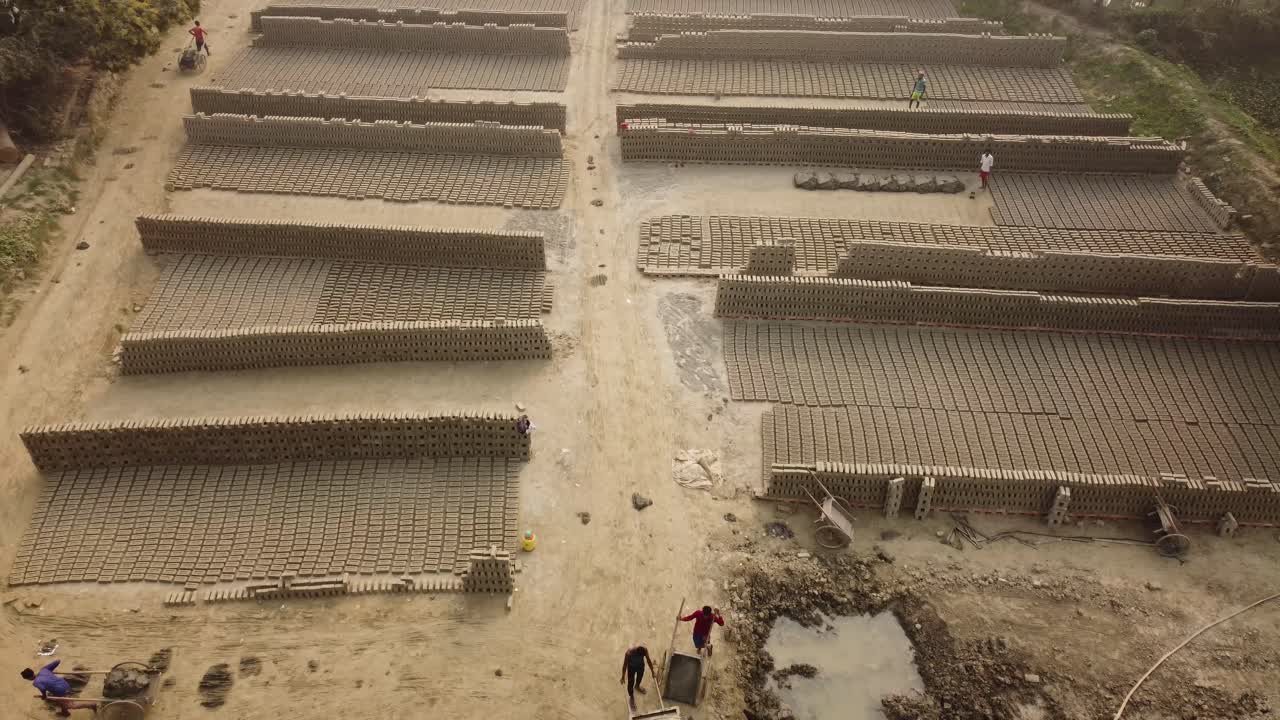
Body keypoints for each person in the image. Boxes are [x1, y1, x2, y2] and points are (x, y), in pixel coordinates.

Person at [20, 661, 97, 716]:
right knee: (59, 700)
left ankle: (91, 705)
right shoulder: (44, 670)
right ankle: (65, 712)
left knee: (71, 705)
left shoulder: (36, 682)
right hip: (65, 684)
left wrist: (44, 696)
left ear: (28, 678)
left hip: (61, 691)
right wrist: (50, 671)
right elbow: (57, 661)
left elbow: (42, 689)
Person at [620, 645, 658, 711]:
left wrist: (652, 671)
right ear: (636, 652)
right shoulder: (629, 653)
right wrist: (623, 676)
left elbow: (648, 660)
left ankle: (637, 686)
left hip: (640, 666)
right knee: (630, 682)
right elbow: (625, 665)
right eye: (640, 656)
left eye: (642, 656)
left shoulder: (645, 650)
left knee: (639, 678)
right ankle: (631, 697)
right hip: (631, 668)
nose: (641, 657)